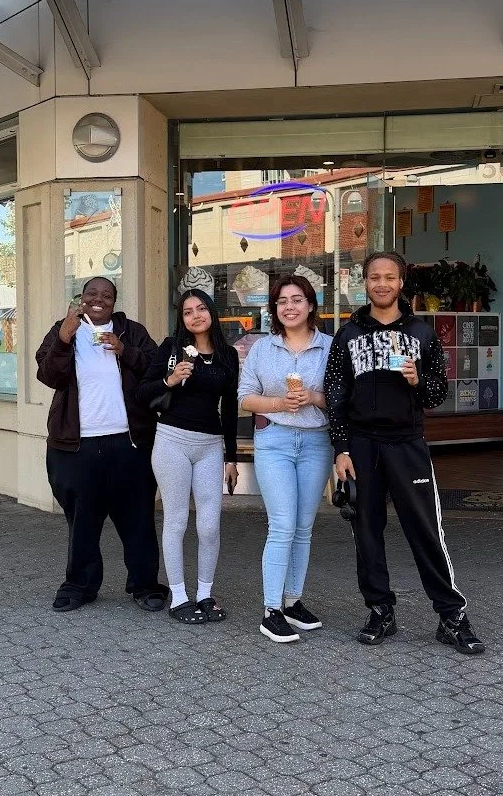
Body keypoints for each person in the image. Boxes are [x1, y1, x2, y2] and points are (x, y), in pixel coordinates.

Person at [325, 251, 485, 655]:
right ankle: (381, 610)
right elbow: (336, 394)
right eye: (374, 277)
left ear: (401, 283)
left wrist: (417, 380)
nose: (382, 284)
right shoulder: (347, 335)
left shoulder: (422, 333)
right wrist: (341, 449)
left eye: (389, 277)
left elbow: (437, 393)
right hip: (360, 446)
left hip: (407, 444)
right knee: (366, 530)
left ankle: (451, 615)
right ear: (365, 283)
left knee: (426, 530)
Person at [36, 277, 169, 613]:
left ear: (114, 301)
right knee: (82, 521)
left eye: (106, 295)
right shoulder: (63, 329)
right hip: (76, 446)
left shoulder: (131, 331)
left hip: (130, 443)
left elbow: (156, 370)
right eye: (92, 294)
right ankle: (80, 585)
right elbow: (49, 375)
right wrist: (65, 337)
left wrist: (125, 351)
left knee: (138, 518)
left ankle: (145, 584)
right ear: (81, 298)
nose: (98, 299)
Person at [238, 273, 333, 644]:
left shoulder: (330, 347)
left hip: (315, 442)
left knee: (304, 528)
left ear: (310, 305)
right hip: (274, 441)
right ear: (275, 309)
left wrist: (314, 397)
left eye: (297, 300)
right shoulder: (263, 348)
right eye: (282, 302)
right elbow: (244, 397)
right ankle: (271, 610)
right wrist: (279, 403)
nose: (289, 307)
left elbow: (342, 398)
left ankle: (293, 602)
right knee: (281, 525)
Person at [139, 288, 240, 624]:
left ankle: (205, 594)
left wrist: (231, 456)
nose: (196, 315)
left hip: (210, 445)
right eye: (187, 311)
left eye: (201, 308)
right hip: (172, 441)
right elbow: (142, 392)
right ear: (181, 318)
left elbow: (230, 408)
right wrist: (170, 379)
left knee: (209, 525)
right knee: (177, 520)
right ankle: (180, 596)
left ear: (211, 311)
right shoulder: (172, 349)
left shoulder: (227, 356)